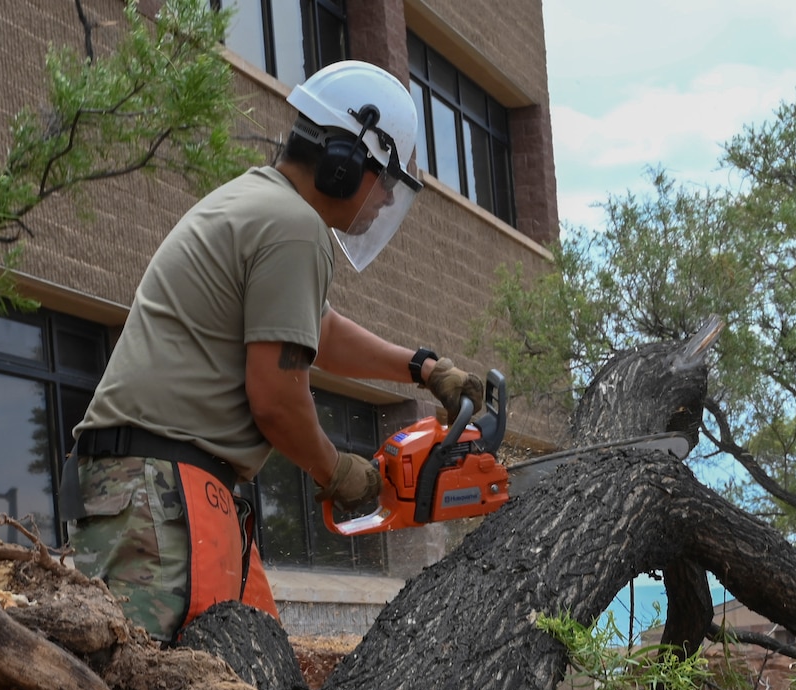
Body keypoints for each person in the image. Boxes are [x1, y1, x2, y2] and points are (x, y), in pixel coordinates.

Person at [63, 58, 485, 641]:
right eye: (383, 182)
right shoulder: (294, 227)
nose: (385, 202)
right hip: (159, 490)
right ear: (344, 164)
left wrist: (422, 368)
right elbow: (277, 401)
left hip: (167, 484)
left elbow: (318, 329)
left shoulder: (264, 204)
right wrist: (337, 470)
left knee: (260, 682)